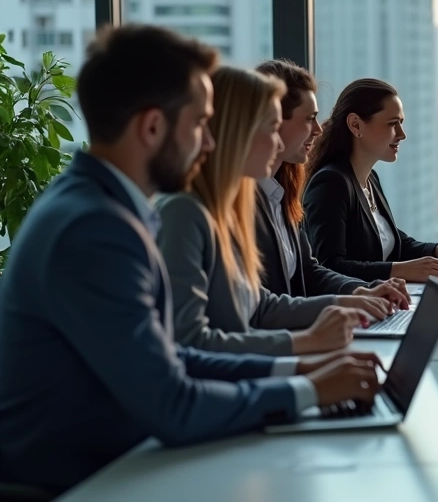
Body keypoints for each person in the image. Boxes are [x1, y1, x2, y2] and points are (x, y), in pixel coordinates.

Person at [0, 25, 380, 494]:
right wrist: (308, 390)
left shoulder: (104, 207)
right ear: (153, 127)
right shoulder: (94, 230)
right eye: (201, 124)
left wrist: (300, 372)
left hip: (125, 463)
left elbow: (173, 358)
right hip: (87, 482)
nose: (210, 142)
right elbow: (172, 402)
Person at [157, 66, 395, 356]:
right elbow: (192, 344)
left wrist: (351, 300)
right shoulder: (187, 213)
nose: (279, 142)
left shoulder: (250, 201)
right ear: (236, 132)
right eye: (272, 127)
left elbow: (260, 305)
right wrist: (306, 352)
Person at [303, 78, 438, 283]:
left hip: (382, 301)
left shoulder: (369, 179)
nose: (402, 134)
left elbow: (393, 242)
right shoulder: (330, 183)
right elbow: (329, 266)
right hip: (353, 309)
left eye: (401, 123)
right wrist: (400, 270)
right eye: (392, 124)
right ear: (355, 124)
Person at [253, 59, 410, 306]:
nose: (318, 129)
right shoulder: (328, 182)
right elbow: (260, 308)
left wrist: (362, 291)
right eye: (309, 118)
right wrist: (332, 313)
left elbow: (309, 270)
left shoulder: (280, 195)